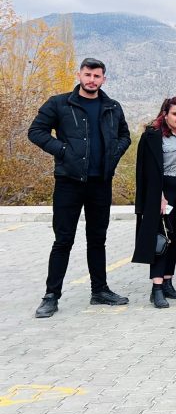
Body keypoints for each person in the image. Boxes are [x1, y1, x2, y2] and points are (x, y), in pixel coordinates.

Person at [29, 58, 132, 318]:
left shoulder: (112, 106)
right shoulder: (60, 103)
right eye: (88, 74)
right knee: (63, 240)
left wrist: (114, 154)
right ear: (79, 75)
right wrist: (63, 151)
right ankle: (51, 296)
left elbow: (125, 136)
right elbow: (36, 131)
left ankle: (100, 291)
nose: (91, 80)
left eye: (97, 76)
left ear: (104, 79)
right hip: (69, 182)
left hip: (101, 183)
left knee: (98, 239)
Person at [132, 97, 176, 308]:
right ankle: (157, 289)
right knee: (162, 240)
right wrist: (158, 196)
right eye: (175, 114)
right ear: (165, 114)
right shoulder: (153, 136)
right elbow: (147, 170)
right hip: (163, 193)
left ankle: (168, 282)